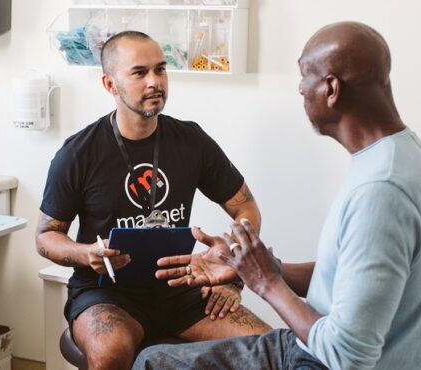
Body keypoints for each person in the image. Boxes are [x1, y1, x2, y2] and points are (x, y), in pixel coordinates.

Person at [133, 21, 421, 370]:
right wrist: (260, 267)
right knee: (153, 361)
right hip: (312, 344)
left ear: (331, 89)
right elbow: (354, 280)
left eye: (305, 76)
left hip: (322, 361)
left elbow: (347, 356)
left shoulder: (381, 191)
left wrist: (264, 282)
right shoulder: (403, 154)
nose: (300, 88)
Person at [36, 31, 272, 370]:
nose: (154, 82)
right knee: (111, 351)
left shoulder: (191, 140)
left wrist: (231, 268)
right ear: (109, 84)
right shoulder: (78, 153)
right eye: (139, 72)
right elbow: (45, 236)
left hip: (179, 287)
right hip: (106, 293)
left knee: (268, 348)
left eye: (160, 70)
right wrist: (85, 254)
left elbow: (244, 207)